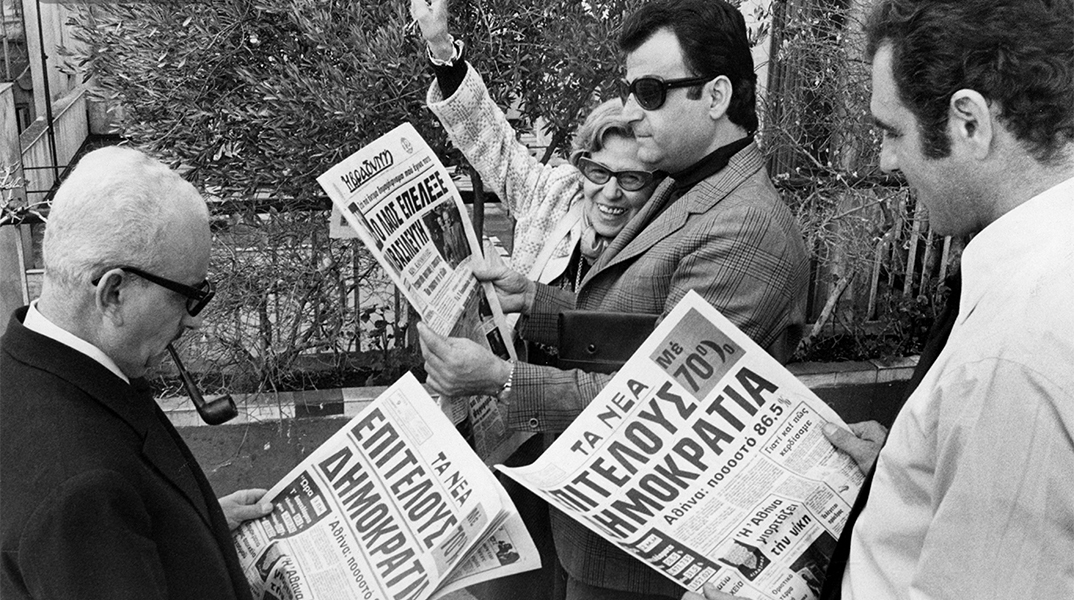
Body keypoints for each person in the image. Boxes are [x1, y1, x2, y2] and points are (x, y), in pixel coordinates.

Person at [418, 1, 810, 598]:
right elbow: (637, 330)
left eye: (649, 92)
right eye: (630, 91)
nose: (631, 111)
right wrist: (535, 300)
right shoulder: (685, 182)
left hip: (640, 561)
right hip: (588, 524)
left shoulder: (744, 228)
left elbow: (653, 409)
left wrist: (499, 378)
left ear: (716, 95)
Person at [693, 0, 1074, 599]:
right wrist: (910, 469)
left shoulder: (1012, 351)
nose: (885, 160)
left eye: (893, 132)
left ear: (969, 123)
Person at [411, 1, 665, 598]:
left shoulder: (658, 239)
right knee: (511, 582)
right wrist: (442, 48)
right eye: (597, 172)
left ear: (654, 184)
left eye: (631, 179)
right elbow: (492, 142)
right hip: (513, 429)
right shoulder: (554, 195)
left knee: (568, 574)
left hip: (588, 442)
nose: (610, 193)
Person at [0, 147, 273, 599]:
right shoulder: (82, 496)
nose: (194, 321)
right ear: (114, 292)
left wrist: (192, 530)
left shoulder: (29, 366)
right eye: (188, 295)